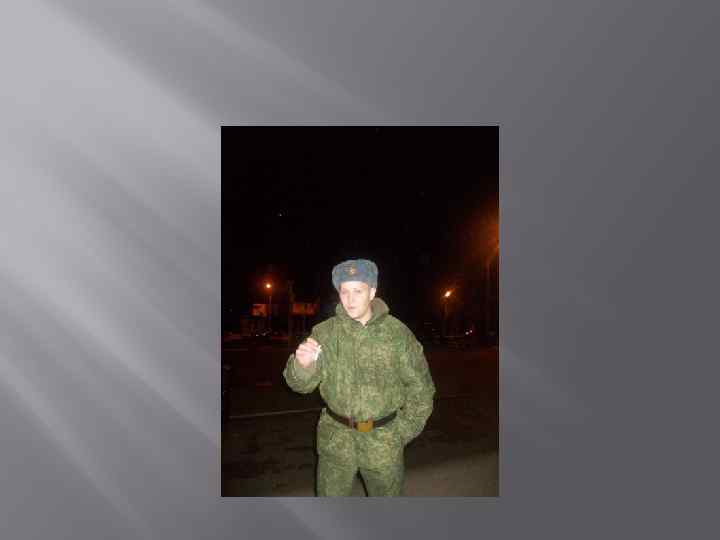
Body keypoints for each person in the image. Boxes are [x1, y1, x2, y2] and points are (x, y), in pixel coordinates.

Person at [283, 259, 436, 496]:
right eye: (344, 291)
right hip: (336, 440)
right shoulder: (325, 332)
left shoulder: (397, 334)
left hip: (383, 442)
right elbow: (301, 386)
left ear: (372, 292)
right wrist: (302, 366)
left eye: (358, 291)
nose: (350, 299)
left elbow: (421, 388)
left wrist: (402, 432)